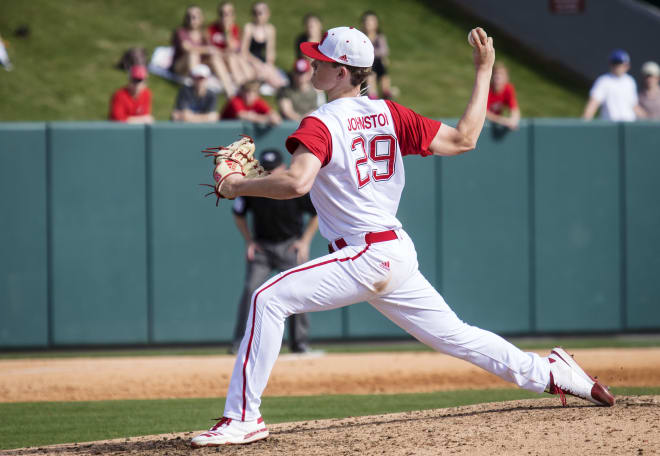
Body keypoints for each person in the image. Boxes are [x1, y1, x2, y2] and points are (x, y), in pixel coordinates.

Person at [191, 26, 614, 448]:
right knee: (456, 335)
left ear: (341, 72)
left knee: (268, 298)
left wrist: (234, 186)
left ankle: (243, 418)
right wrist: (483, 71)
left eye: (320, 60)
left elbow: (298, 182)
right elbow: (464, 139)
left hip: (365, 254)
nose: (312, 63)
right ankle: (552, 373)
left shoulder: (319, 122)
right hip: (393, 252)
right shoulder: (391, 114)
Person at [230, 148, 318, 354]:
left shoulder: (295, 186)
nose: (270, 174)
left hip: (289, 245)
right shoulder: (255, 187)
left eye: (273, 169)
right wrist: (249, 241)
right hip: (263, 247)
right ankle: (240, 344)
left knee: (298, 293)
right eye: (266, 170)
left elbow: (316, 214)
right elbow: (238, 213)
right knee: (251, 291)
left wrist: (305, 241)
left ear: (283, 167)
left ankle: (300, 343)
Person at [171, 5, 236, 97]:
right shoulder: (181, 32)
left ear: (201, 19)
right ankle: (195, 89)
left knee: (214, 59)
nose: (191, 20)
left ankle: (229, 91)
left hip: (199, 64)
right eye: (189, 17)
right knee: (193, 54)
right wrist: (207, 50)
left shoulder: (204, 34)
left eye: (194, 17)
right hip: (181, 66)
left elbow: (212, 50)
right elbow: (187, 48)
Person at [582, 49, 645, 121]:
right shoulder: (603, 81)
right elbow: (593, 105)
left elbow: (634, 105)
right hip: (611, 126)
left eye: (620, 63)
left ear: (627, 66)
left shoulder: (630, 81)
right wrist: (585, 122)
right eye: (615, 63)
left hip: (629, 126)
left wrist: (648, 120)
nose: (618, 67)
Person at [240, 2, 287, 91]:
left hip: (261, 61)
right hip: (249, 60)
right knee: (264, 72)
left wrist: (269, 64)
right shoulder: (249, 28)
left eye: (260, 13)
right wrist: (256, 63)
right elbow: (244, 51)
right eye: (255, 13)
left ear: (267, 14)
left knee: (270, 71)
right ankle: (281, 89)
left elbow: (270, 51)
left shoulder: (270, 29)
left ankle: (282, 89)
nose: (258, 16)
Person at [207, 2, 255, 87]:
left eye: (228, 14)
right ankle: (241, 86)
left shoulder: (235, 29)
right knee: (231, 57)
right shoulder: (211, 29)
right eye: (222, 14)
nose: (224, 17)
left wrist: (227, 32)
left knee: (236, 58)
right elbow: (210, 49)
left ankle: (249, 84)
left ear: (233, 16)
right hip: (217, 61)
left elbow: (233, 47)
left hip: (230, 59)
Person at [360, 11, 394, 99]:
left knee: (384, 74)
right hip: (366, 66)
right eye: (367, 21)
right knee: (371, 75)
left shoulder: (379, 37)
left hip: (377, 64)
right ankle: (373, 96)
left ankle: (386, 93)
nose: (369, 24)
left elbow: (384, 51)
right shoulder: (361, 37)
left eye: (372, 21)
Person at [487, 63, 520, 130]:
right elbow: (484, 113)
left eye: (501, 74)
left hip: (495, 124)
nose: (498, 77)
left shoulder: (508, 89)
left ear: (506, 78)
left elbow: (514, 108)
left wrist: (514, 119)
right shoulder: (486, 89)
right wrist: (503, 121)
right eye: (496, 74)